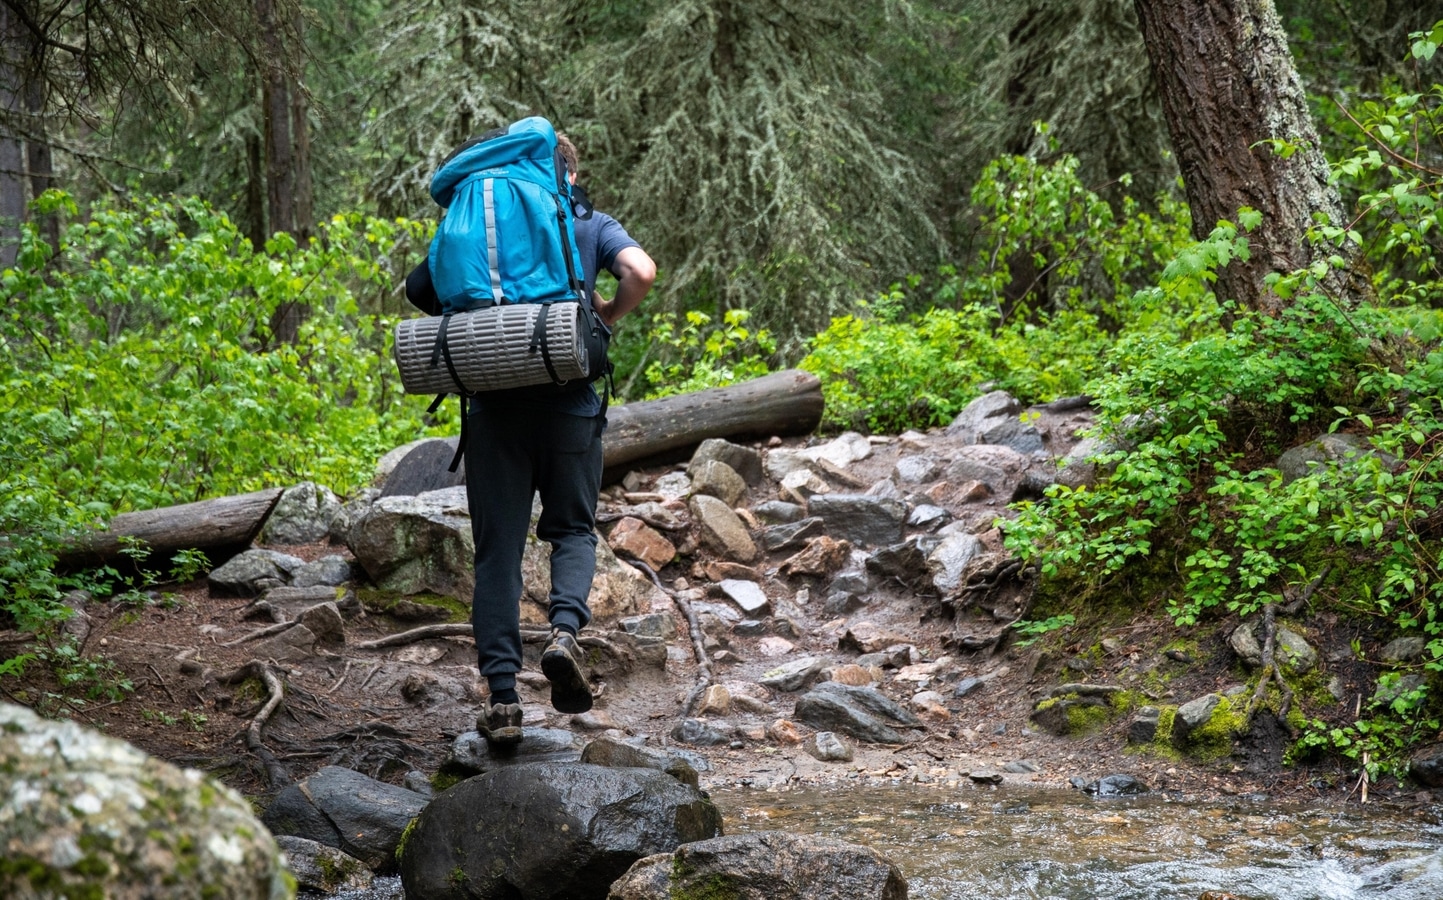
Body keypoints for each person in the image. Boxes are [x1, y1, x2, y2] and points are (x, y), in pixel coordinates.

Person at [405, 132, 656, 747]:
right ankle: (565, 632)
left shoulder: (472, 218)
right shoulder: (586, 221)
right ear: (563, 174)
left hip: (494, 414)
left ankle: (503, 701)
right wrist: (603, 315)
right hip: (569, 404)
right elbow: (641, 272)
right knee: (571, 529)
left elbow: (420, 291)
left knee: (497, 554)